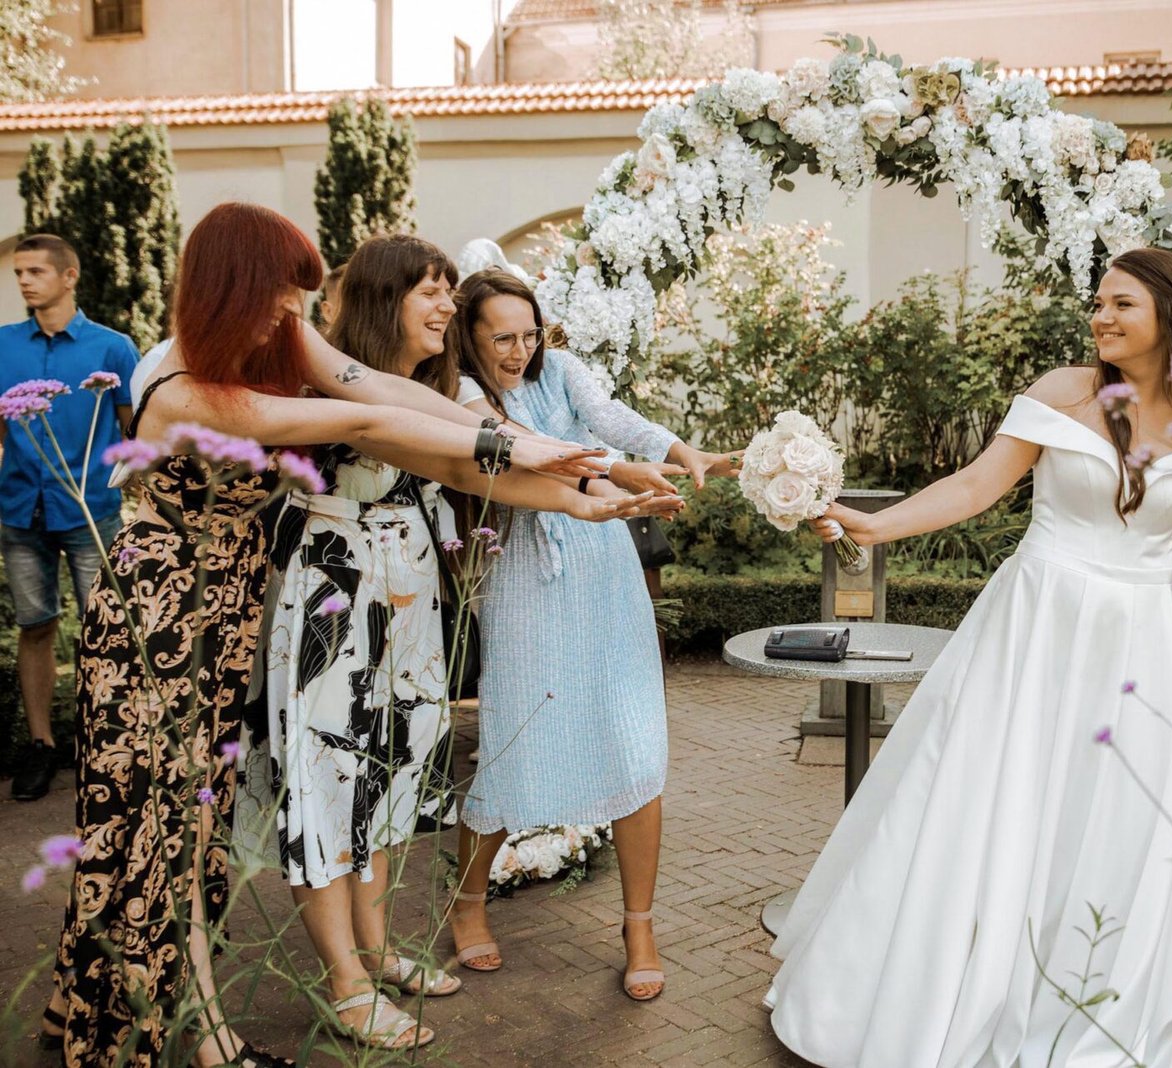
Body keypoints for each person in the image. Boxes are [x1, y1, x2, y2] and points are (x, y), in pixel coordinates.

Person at [39, 202, 632, 1068]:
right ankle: (199, 1042)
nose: (295, 310)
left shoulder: (272, 350)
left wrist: (537, 453)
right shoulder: (191, 390)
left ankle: (115, 1018)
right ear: (240, 288)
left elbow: (375, 389)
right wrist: (516, 450)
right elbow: (363, 424)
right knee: (159, 833)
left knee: (181, 836)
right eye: (282, 292)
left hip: (223, 614)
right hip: (161, 623)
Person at [772, 247, 1172, 1066]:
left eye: (1121, 303)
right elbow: (973, 487)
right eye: (1097, 303)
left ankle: (1098, 1007)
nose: (1100, 317)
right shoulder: (1064, 392)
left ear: (1169, 311)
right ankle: (951, 995)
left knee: (1115, 822)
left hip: (1145, 650)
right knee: (996, 802)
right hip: (1038, 630)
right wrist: (870, 525)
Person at [232, 234, 681, 1051]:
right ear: (382, 301)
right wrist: (589, 480)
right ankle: (346, 983)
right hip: (338, 598)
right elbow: (454, 449)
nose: (447, 305)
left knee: (388, 782)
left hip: (404, 600)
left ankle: (375, 951)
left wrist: (595, 496)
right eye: (432, 293)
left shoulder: (423, 386)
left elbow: (481, 468)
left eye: (448, 291)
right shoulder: (346, 387)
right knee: (333, 789)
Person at [442, 265, 735, 1001]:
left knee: (633, 739)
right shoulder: (461, 393)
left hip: (604, 568)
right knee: (512, 738)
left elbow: (616, 417)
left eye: (528, 334)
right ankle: (468, 907)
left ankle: (639, 926)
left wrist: (676, 451)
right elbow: (512, 442)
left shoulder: (564, 369)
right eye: (501, 337)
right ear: (469, 338)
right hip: (522, 580)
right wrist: (622, 473)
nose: (518, 350)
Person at [1, 234, 140, 802]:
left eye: (36, 271)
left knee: (105, 631)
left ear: (70, 276)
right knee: (34, 627)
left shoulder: (113, 348)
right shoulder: (4, 345)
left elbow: (137, 434)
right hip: (18, 511)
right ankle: (41, 746)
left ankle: (106, 745)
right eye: (19, 274)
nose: (25, 281)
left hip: (92, 511)